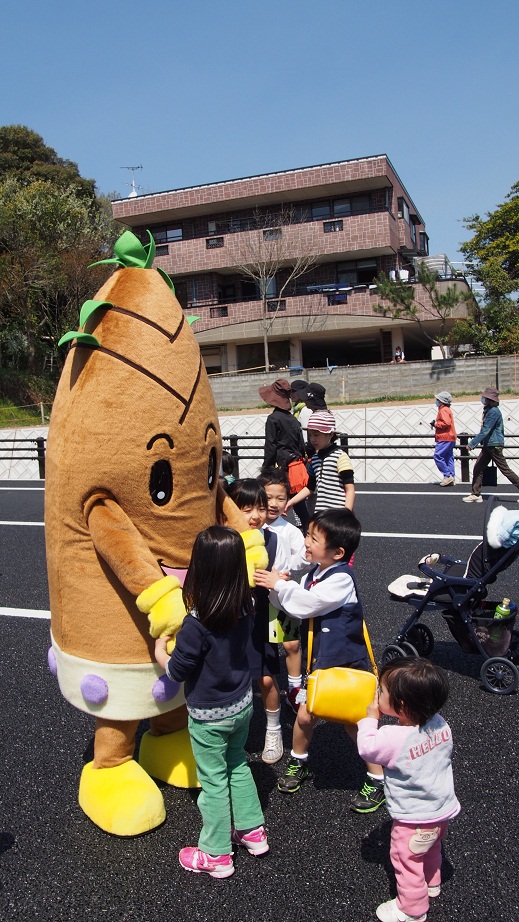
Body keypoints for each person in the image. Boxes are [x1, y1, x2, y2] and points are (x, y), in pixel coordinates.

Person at [254, 508, 386, 813]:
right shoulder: (316, 573)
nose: (306, 541)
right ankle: (298, 762)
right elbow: (294, 604)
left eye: (313, 538)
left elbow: (308, 603)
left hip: (345, 663)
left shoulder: (341, 579)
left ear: (337, 552)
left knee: (356, 722)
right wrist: (277, 588)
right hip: (321, 664)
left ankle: (377, 778)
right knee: (304, 716)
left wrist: (280, 585)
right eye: (308, 535)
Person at [154, 526, 268, 880]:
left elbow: (178, 671)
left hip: (208, 714)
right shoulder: (245, 606)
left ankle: (216, 853)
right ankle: (252, 831)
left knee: (214, 780)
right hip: (242, 702)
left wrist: (161, 652)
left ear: (199, 569)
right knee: (238, 763)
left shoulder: (196, 623)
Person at [357, 657, 460, 922]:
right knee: (432, 847)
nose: (377, 694)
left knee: (406, 860)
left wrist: (369, 720)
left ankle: (412, 909)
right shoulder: (440, 724)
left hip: (412, 818)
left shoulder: (393, 737)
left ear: (400, 706)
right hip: (440, 809)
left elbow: (367, 748)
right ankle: (432, 882)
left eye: (381, 691)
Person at [227, 478, 288, 764]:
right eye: (246, 508)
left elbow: (277, 575)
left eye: (260, 508)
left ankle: (273, 730)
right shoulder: (221, 539)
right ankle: (226, 733)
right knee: (225, 677)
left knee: (265, 677)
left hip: (261, 617)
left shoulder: (272, 539)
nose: (256, 516)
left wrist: (279, 580)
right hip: (226, 619)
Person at [258, 468, 307, 713]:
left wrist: (288, 571)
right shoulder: (250, 528)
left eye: (281, 498)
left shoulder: (290, 530)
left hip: (281, 595)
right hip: (257, 597)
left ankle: (295, 688)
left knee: (290, 644)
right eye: (268, 497)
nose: (274, 504)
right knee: (262, 646)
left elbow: (304, 559)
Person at [259, 377, 309, 532]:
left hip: (282, 467)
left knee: (271, 501)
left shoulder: (273, 419)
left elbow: (271, 447)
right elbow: (301, 446)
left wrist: (265, 470)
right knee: (299, 506)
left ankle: (272, 533)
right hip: (297, 467)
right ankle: (307, 533)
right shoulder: (293, 420)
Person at [286, 410, 355, 514]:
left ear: (330, 435)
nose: (312, 439)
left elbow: (350, 489)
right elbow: (310, 488)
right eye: (310, 435)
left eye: (316, 435)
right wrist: (291, 502)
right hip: (321, 514)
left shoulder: (340, 457)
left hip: (338, 514)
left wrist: (347, 513)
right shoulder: (315, 459)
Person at [463, 386, 519, 503]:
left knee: (505, 470)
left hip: (494, 446)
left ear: (489, 399)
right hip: (489, 445)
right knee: (478, 467)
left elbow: (486, 430)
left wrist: (472, 444)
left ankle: (476, 493)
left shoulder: (493, 412)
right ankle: (476, 493)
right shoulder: (489, 410)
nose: (482, 399)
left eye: (484, 397)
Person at [431, 391, 456, 487]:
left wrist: (436, 424)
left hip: (445, 437)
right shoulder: (447, 409)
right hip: (451, 437)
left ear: (441, 401)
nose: (436, 401)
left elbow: (446, 423)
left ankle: (447, 475)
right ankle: (451, 476)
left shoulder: (443, 410)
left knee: (438, 456)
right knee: (448, 457)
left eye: (437, 399)